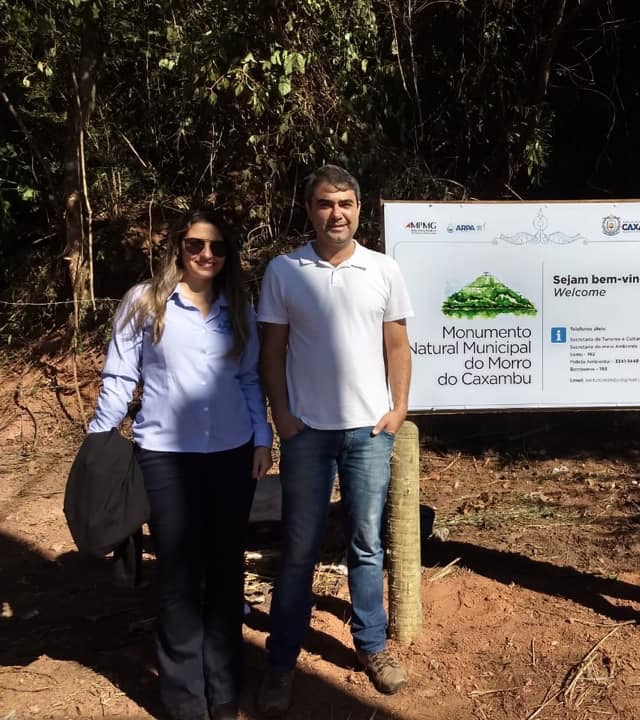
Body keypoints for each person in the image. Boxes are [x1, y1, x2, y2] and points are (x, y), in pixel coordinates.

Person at [88, 209, 273, 720]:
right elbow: (120, 377)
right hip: (165, 457)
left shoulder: (240, 307)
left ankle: (224, 691)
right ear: (178, 248)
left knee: (225, 572)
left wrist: (262, 438)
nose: (206, 255)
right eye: (195, 244)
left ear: (228, 255)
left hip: (232, 454)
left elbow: (249, 379)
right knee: (179, 576)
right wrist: (98, 442)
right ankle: (185, 701)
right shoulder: (144, 302)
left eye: (217, 247)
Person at [256, 164, 414, 712]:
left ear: (359, 209)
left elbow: (397, 345)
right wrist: (282, 415)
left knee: (366, 543)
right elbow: (272, 352)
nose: (336, 213)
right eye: (325, 203)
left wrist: (398, 408)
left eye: (345, 203)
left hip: (369, 433)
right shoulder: (284, 271)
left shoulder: (383, 269)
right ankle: (281, 661)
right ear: (309, 210)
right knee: (299, 549)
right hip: (307, 434)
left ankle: (372, 646)